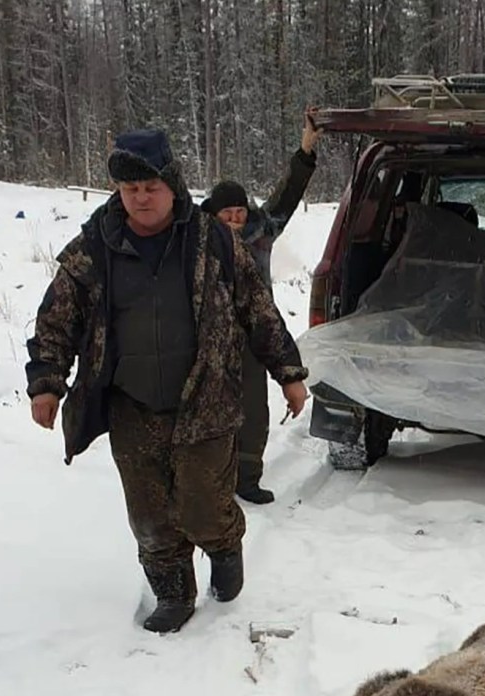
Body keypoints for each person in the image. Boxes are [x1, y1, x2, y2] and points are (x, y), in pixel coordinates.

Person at [26, 128, 309, 633]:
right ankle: (173, 594)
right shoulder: (95, 247)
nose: (140, 198)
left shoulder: (213, 241)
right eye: (129, 188)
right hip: (131, 402)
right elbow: (57, 317)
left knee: (203, 504)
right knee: (150, 514)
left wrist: (288, 373)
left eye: (150, 187)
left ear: (173, 184)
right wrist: (47, 380)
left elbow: (259, 312)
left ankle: (224, 545)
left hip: (206, 398)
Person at [201, 108, 321, 504]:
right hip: (208, 341)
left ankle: (247, 479)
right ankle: (211, 482)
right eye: (227, 213)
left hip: (254, 339)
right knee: (209, 415)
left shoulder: (261, 234)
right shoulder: (196, 242)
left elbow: (288, 194)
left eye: (239, 212)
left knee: (253, 415)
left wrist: (306, 149)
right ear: (213, 214)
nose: (234, 220)